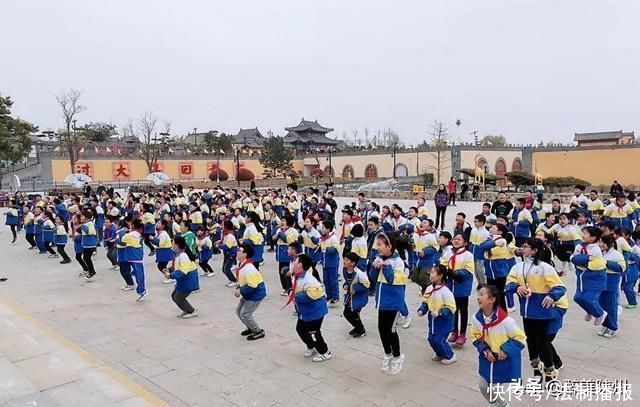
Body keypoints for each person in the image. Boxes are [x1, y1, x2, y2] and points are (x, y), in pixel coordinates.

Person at [505, 238, 566, 383]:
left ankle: (550, 371)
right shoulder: (518, 267)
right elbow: (509, 283)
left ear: (534, 250)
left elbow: (560, 287)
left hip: (541, 312)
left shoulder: (545, 267)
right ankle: (536, 370)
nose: (523, 248)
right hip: (526, 312)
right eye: (523, 246)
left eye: (526, 246)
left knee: (542, 343)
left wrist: (552, 296)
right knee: (530, 341)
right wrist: (516, 287)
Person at [470, 285, 526, 407]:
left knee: (495, 389)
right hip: (487, 358)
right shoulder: (476, 319)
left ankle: (504, 405)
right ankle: (494, 404)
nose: (478, 297)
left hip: (501, 360)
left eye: (482, 294)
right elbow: (475, 336)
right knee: (483, 386)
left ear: (492, 299)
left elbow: (520, 338)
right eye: (478, 294)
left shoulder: (506, 321)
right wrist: (485, 350)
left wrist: (505, 350)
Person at [370, 233, 407, 375]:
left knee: (391, 330)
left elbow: (392, 280)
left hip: (393, 302)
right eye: (377, 244)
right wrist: (374, 267)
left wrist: (385, 266)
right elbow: (373, 279)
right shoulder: (378, 258)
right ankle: (388, 354)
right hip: (382, 301)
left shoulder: (398, 262)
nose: (377, 247)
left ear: (389, 246)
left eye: (380, 244)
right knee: (381, 328)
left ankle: (398, 356)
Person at [290, 253, 331, 362]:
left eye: (295, 261)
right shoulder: (297, 275)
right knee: (300, 329)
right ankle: (312, 346)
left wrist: (295, 297)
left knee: (313, 333)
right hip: (304, 311)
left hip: (315, 311)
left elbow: (311, 295)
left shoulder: (309, 280)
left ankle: (325, 352)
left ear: (300, 265)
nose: (293, 263)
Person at [418, 264, 457, 364]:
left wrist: (440, 312)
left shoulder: (446, 291)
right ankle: (439, 353)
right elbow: (425, 301)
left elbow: (451, 308)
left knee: (439, 340)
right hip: (433, 320)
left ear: (440, 276)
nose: (431, 275)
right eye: (431, 272)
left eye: (433, 273)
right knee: (431, 339)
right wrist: (422, 309)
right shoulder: (429, 288)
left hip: (444, 321)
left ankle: (450, 355)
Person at [571, 226, 607, 326]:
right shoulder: (579, 246)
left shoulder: (596, 249)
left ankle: (600, 313)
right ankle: (589, 310)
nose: (583, 235)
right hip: (582, 277)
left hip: (595, 278)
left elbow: (593, 265)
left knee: (588, 298)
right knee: (577, 298)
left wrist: (582, 260)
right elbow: (573, 259)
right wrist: (587, 258)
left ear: (593, 237)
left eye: (586, 234)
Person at [442, 234, 474, 347]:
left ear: (465, 243)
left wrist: (456, 273)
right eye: (455, 239)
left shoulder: (468, 255)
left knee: (463, 310)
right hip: (450, 286)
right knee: (453, 310)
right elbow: (443, 262)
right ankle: (454, 331)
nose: (456, 241)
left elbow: (468, 271)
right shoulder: (448, 252)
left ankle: (463, 333)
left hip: (462, 287)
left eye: (459, 239)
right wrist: (444, 270)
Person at [234, 243, 266, 340]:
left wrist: (240, 291)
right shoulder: (243, 265)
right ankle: (250, 327)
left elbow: (253, 285)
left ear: (245, 254)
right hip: (249, 293)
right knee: (239, 311)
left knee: (245, 314)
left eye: (239, 251)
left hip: (255, 294)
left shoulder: (248, 268)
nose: (237, 252)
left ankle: (258, 331)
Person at [162, 235, 199, 318]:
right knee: (174, 295)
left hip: (189, 280)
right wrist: (169, 269)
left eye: (173, 242)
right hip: (183, 280)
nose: (172, 244)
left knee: (178, 297)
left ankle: (191, 311)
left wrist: (170, 275)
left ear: (177, 245)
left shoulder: (184, 256)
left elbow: (182, 271)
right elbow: (177, 266)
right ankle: (187, 309)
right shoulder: (179, 254)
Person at [478, 224, 513, 311]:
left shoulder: (502, 241)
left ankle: (503, 313)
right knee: (491, 294)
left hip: (499, 272)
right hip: (490, 272)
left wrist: (493, 243)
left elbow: (486, 246)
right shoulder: (489, 239)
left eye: (494, 228)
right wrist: (493, 243)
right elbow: (482, 246)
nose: (491, 229)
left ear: (500, 232)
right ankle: (493, 312)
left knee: (500, 294)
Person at [598, 234, 625, 338]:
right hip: (600, 282)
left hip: (611, 282)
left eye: (603, 242)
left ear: (611, 244)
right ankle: (605, 325)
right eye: (600, 242)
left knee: (611, 306)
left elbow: (621, 268)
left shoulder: (617, 255)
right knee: (601, 305)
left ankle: (612, 327)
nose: (601, 244)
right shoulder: (599, 253)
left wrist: (606, 263)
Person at [342, 252, 370, 338]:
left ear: (353, 263)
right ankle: (358, 327)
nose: (344, 261)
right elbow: (347, 280)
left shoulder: (359, 273)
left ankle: (361, 330)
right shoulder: (345, 269)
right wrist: (346, 285)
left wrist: (355, 288)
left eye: (347, 260)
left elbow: (367, 284)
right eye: (344, 259)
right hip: (350, 296)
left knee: (351, 313)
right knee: (349, 313)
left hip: (358, 297)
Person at [410, 218, 440, 293]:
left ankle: (432, 290)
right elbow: (413, 246)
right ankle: (427, 288)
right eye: (422, 222)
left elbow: (436, 247)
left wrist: (426, 251)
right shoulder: (415, 235)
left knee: (423, 277)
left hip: (427, 261)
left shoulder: (430, 236)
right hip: (416, 261)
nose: (422, 223)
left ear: (429, 227)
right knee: (414, 278)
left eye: (425, 223)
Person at [121, 219, 148, 301]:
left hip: (134, 256)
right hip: (136, 256)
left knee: (139, 274)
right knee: (138, 273)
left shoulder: (132, 234)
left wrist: (125, 231)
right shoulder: (138, 233)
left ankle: (142, 290)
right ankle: (141, 289)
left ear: (133, 225)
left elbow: (123, 239)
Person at [275, 215, 299, 295]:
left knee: (288, 270)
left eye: (283, 221)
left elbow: (288, 240)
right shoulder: (279, 229)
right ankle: (284, 287)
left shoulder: (292, 231)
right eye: (281, 221)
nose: (282, 222)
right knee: (281, 271)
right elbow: (274, 238)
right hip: (280, 252)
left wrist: (281, 233)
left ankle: (290, 287)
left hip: (287, 253)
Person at [320, 220, 341, 303]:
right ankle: (329, 295)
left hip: (332, 263)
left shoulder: (333, 238)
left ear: (328, 229)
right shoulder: (323, 238)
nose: (322, 229)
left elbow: (336, 249)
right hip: (325, 263)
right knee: (326, 280)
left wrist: (327, 249)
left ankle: (335, 296)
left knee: (333, 280)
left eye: (323, 228)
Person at [469, 215, 490, 289]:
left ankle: (484, 283)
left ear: (482, 222)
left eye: (476, 221)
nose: (474, 223)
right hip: (473, 253)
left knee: (480, 270)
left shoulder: (486, 233)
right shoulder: (473, 230)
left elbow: (485, 245)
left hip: (480, 254)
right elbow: (471, 241)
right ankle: (479, 283)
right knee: (475, 270)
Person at [218, 220, 239, 287]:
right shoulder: (225, 233)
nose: (221, 226)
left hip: (231, 254)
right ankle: (231, 279)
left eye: (223, 225)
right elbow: (224, 241)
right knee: (224, 269)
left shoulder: (230, 235)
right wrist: (220, 242)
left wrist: (219, 246)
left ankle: (234, 281)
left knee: (226, 269)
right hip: (227, 254)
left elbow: (227, 246)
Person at [115, 220, 135, 291]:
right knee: (123, 270)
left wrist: (117, 241)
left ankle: (131, 284)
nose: (115, 226)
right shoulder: (119, 232)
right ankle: (128, 283)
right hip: (121, 252)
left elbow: (124, 243)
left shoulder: (122, 233)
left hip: (124, 253)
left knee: (125, 270)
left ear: (120, 226)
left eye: (116, 224)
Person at [80, 210, 98, 280]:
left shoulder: (90, 223)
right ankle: (90, 271)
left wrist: (82, 226)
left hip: (90, 243)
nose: (80, 217)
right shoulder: (85, 223)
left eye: (82, 216)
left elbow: (90, 232)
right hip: (86, 243)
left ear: (86, 217)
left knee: (87, 258)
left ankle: (91, 271)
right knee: (86, 257)